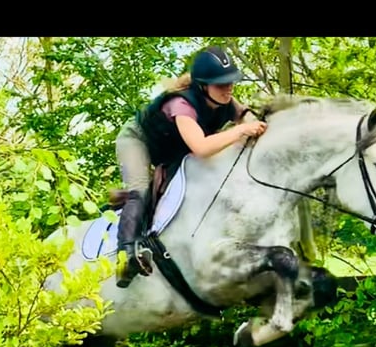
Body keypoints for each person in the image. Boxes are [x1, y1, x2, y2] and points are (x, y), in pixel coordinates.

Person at [113, 45, 268, 288]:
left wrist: (256, 125)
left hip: (173, 148)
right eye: (221, 83)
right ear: (203, 86)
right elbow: (202, 147)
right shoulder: (181, 105)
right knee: (140, 190)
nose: (228, 87)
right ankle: (126, 257)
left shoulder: (224, 98)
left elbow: (246, 117)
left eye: (230, 82)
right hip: (137, 140)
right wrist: (241, 130)